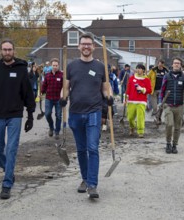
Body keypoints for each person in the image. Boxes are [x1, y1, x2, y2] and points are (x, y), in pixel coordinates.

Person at [0, 39, 35, 200]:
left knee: (11, 149)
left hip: (15, 115)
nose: (7, 52)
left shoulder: (22, 69)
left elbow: (28, 94)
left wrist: (30, 115)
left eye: (10, 49)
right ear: (1, 51)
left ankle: (7, 183)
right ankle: (6, 168)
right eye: (4, 49)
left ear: (14, 51)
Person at [60, 33, 113, 199]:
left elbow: (106, 88)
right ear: (79, 46)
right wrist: (63, 97)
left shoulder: (100, 67)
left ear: (94, 47)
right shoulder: (71, 66)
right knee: (81, 149)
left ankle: (92, 185)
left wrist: (110, 97)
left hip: (94, 112)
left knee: (92, 148)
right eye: (83, 44)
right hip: (75, 113)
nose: (86, 46)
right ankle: (84, 179)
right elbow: (66, 87)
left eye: (89, 44)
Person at [160, 57, 184, 154]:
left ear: (181, 65)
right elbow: (162, 90)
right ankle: (168, 143)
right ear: (172, 65)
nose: (176, 64)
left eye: (178, 63)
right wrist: (161, 101)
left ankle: (174, 145)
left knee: (177, 127)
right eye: (175, 63)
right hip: (168, 105)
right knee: (169, 124)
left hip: (179, 106)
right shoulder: (166, 76)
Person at [125, 63, 152, 138]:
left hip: (141, 101)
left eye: (140, 68)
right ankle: (132, 127)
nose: (138, 70)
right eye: (137, 68)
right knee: (130, 117)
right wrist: (126, 98)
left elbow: (150, 90)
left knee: (140, 117)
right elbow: (128, 88)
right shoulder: (131, 78)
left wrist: (142, 89)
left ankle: (140, 131)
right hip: (131, 100)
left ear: (143, 70)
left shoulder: (146, 80)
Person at [41, 58, 63, 139]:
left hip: (58, 99)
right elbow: (44, 86)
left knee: (58, 115)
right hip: (49, 98)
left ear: (58, 66)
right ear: (51, 65)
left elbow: (65, 87)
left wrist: (64, 97)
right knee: (47, 114)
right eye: (53, 65)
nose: (55, 67)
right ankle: (51, 127)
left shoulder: (62, 75)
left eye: (56, 65)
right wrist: (41, 93)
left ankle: (57, 131)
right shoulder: (47, 75)